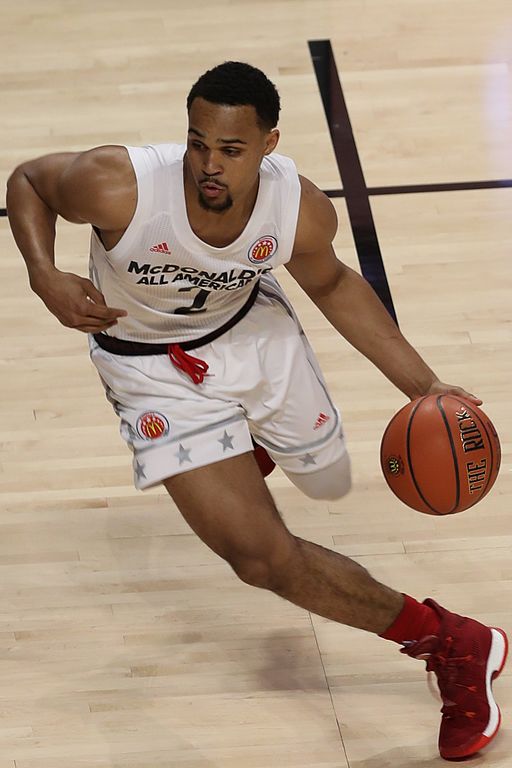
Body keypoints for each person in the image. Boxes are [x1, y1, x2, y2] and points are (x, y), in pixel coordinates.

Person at [6, 61, 507, 761]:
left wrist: (425, 389)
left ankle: (247, 446)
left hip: (249, 335)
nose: (209, 165)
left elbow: (333, 284)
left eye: (232, 150)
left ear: (269, 144)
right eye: (198, 142)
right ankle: (454, 642)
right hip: (151, 371)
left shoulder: (294, 208)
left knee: (327, 474)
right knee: (260, 558)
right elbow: (29, 181)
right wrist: (42, 273)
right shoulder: (120, 185)